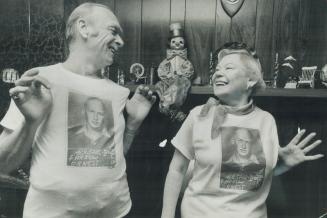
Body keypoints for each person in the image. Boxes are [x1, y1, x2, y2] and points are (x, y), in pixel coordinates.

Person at [0, 2, 156, 218]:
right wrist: (31, 121)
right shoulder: (38, 81)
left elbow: (108, 159)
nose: (121, 41)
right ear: (83, 28)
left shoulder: (119, 93)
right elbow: (2, 164)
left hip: (118, 212)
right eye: (113, 31)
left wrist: (133, 125)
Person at [161, 42, 324, 218]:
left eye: (228, 67)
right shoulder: (197, 115)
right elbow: (177, 170)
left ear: (250, 80)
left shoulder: (266, 121)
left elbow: (240, 176)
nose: (218, 72)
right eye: (217, 69)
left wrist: (279, 165)